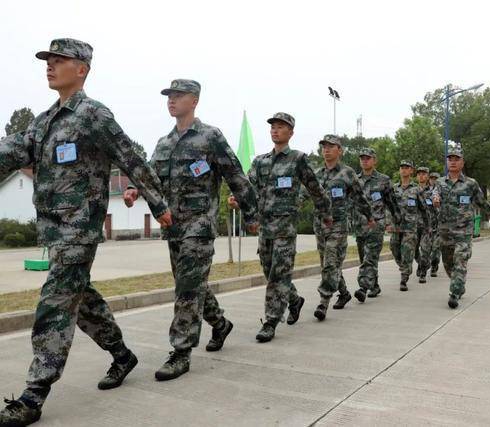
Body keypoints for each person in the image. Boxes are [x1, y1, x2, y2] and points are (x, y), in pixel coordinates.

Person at [0, 38, 171, 426]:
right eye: (47, 60)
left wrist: (158, 205)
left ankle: (33, 394)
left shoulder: (94, 115)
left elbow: (132, 158)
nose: (49, 66)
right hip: (54, 230)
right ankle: (122, 355)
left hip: (81, 228)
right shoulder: (43, 123)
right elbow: (11, 151)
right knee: (83, 301)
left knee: (56, 302)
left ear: (82, 69)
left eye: (58, 60)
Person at [125, 79, 259, 380]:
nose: (171, 100)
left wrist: (253, 214)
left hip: (200, 224)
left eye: (178, 95)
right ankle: (220, 324)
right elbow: (150, 175)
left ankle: (181, 352)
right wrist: (134, 189)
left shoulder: (210, 137)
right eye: (169, 96)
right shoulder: (164, 143)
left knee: (187, 286)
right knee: (192, 284)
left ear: (194, 100)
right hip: (173, 226)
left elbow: (235, 175)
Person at [230, 112, 331, 343]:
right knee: (270, 272)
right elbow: (248, 188)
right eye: (273, 127)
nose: (275, 130)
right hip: (265, 230)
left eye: (280, 127)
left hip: (285, 229)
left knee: (278, 277)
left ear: (290, 132)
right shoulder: (261, 161)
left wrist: (326, 213)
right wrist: (238, 199)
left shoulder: (297, 159)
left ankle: (271, 320)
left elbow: (315, 188)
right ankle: (294, 300)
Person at [306, 135, 373, 321]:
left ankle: (323, 301)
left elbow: (360, 197)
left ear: (339, 150)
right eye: (324, 146)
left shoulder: (347, 173)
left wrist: (369, 216)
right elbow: (304, 195)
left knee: (330, 262)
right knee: (329, 264)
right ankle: (343, 292)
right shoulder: (316, 174)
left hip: (339, 225)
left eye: (331, 146)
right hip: (320, 225)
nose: (326, 149)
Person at [432, 143, 490, 309]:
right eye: (450, 159)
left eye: (456, 159)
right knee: (448, 263)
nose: (452, 162)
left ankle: (454, 292)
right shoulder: (439, 182)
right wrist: (435, 199)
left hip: (463, 231)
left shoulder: (470, 184)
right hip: (445, 230)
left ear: (462, 162)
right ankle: (459, 284)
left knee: (460, 260)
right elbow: (434, 194)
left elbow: (482, 202)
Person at [352, 148, 400, 299]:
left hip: (377, 224)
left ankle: (363, 288)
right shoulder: (354, 179)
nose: (364, 160)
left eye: (368, 158)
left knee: (370, 257)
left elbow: (392, 203)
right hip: (359, 225)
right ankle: (374, 285)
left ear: (374, 160)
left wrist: (396, 220)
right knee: (364, 258)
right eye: (362, 158)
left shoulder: (383, 180)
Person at [388, 160, 429, 291]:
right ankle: (405, 267)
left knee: (407, 252)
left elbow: (424, 209)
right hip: (396, 227)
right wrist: (387, 222)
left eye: (407, 168)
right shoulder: (393, 188)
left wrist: (427, 227)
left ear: (411, 171)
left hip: (411, 228)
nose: (404, 170)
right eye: (402, 168)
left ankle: (404, 278)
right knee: (394, 249)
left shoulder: (417, 189)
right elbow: (388, 207)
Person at [414, 166, 434, 283]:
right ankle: (422, 263)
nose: (421, 176)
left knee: (425, 249)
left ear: (427, 176)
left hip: (427, 226)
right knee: (414, 250)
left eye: (424, 174)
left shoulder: (433, 192)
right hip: (413, 225)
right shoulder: (412, 190)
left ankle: (422, 273)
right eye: (419, 174)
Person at [428, 171, 442, 277]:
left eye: (435, 178)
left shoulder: (443, 191)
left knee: (436, 247)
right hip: (427, 224)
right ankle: (423, 265)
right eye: (432, 178)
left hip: (439, 224)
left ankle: (434, 267)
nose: (433, 180)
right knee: (426, 248)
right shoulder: (424, 191)